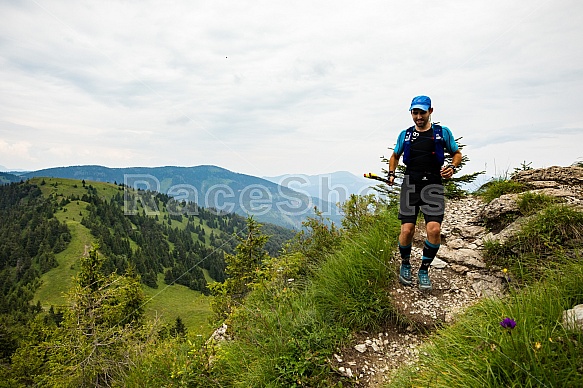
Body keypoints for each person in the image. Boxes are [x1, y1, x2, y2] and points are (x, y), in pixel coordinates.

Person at [388, 95, 462, 291]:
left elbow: (457, 153)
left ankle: (424, 269)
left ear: (430, 111)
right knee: (407, 230)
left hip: (433, 185)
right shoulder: (405, 135)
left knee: (434, 230)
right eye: (415, 112)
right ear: (411, 113)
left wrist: (452, 167)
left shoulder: (441, 133)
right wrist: (391, 173)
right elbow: (395, 156)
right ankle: (405, 264)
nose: (419, 116)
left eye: (422, 112)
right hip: (411, 184)